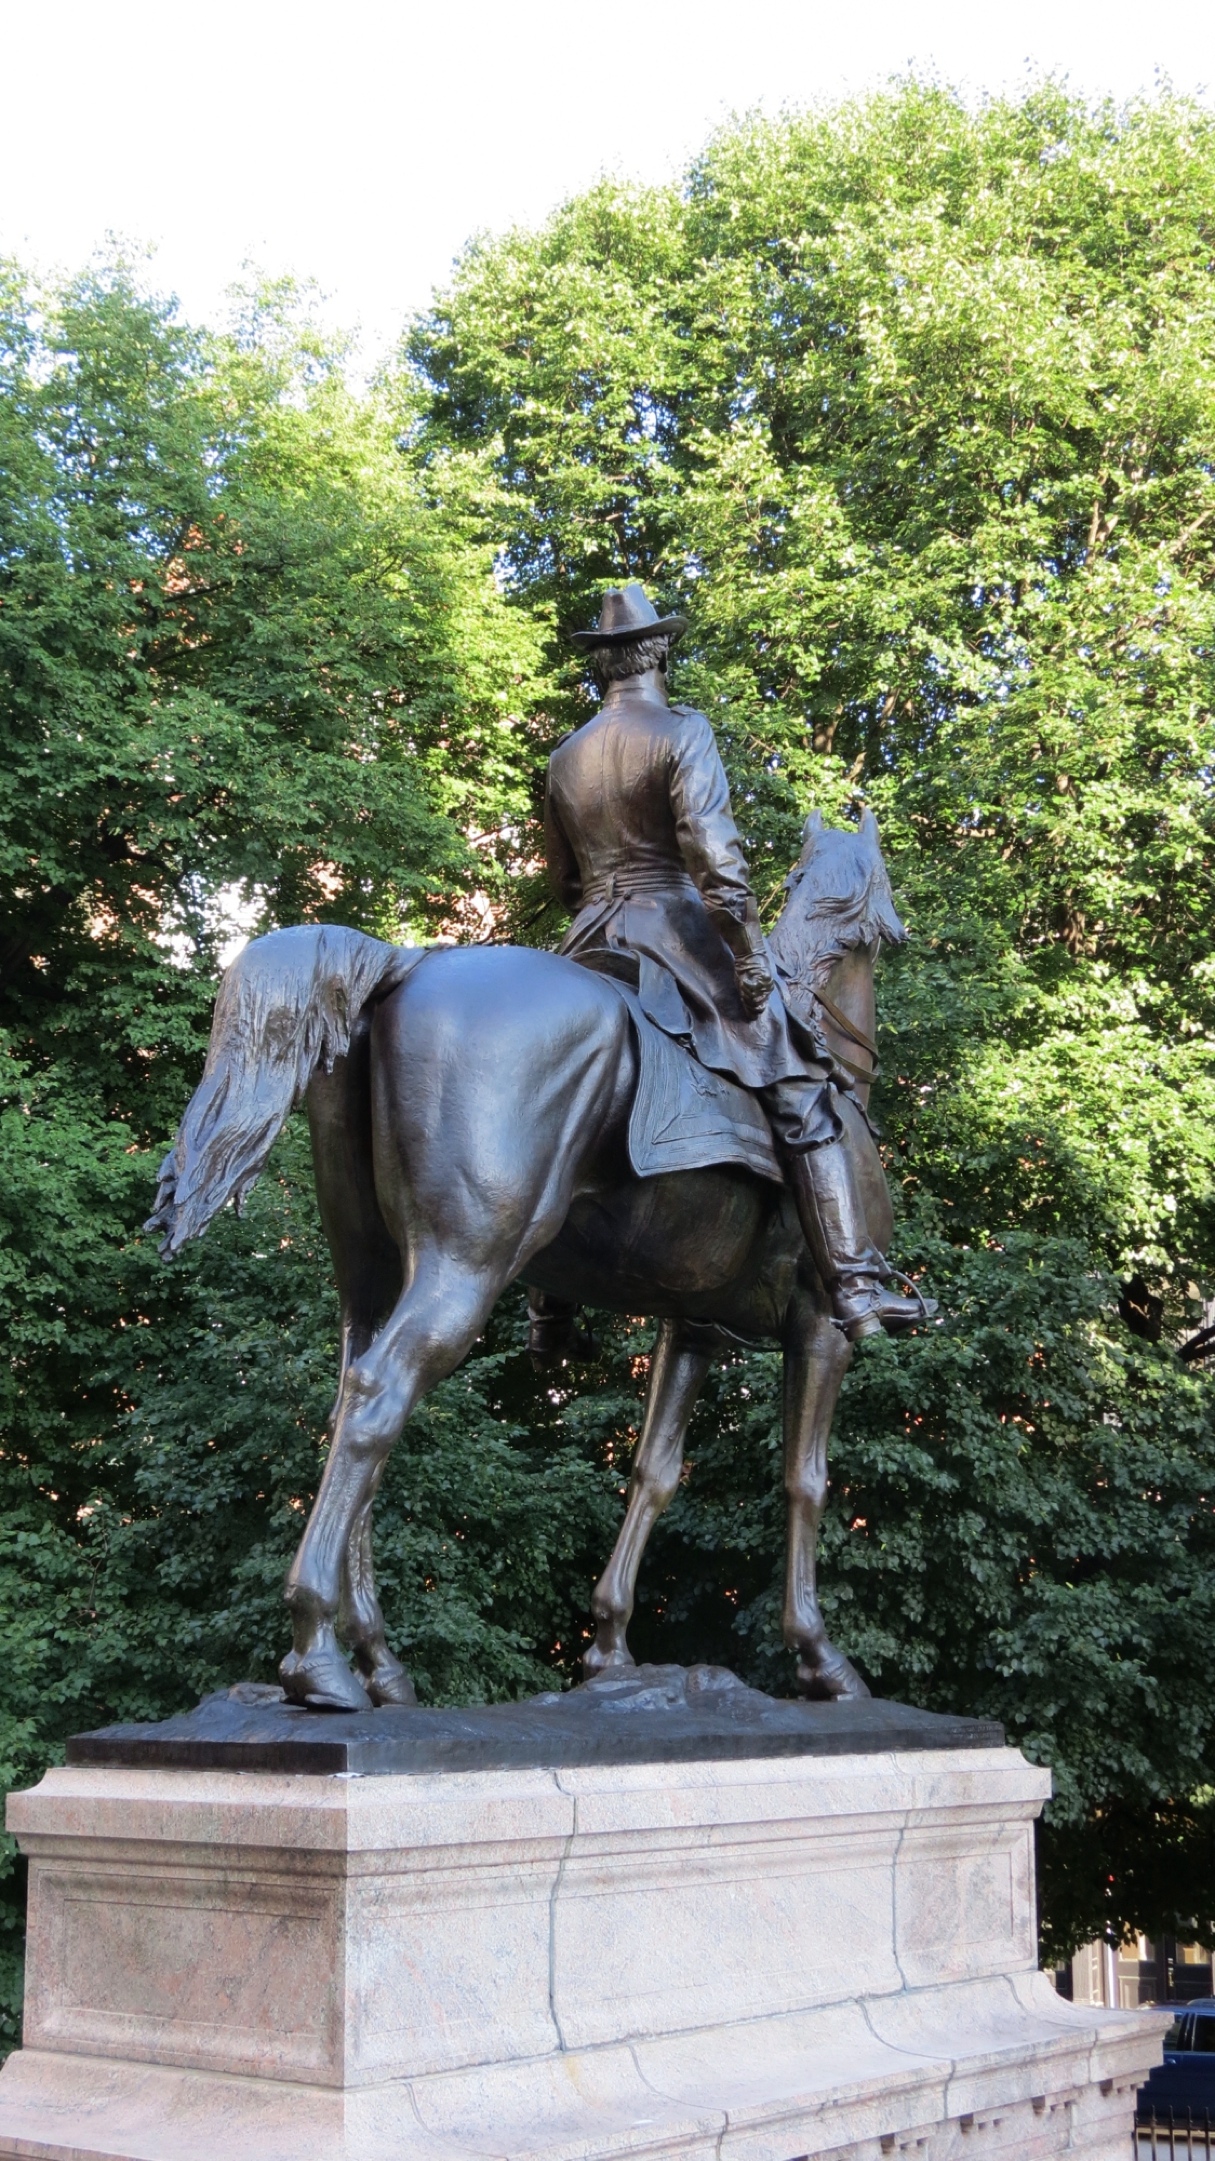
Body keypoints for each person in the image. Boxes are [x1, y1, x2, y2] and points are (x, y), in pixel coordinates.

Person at [529, 582, 931, 1363]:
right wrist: (749, 959)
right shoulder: (683, 730)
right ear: (658, 652)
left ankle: (548, 1314)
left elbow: (564, 882)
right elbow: (715, 859)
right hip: (674, 933)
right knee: (800, 1080)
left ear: (600, 665)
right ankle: (852, 1279)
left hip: (588, 939)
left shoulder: (565, 756)